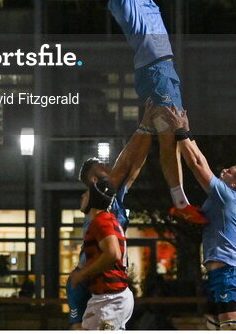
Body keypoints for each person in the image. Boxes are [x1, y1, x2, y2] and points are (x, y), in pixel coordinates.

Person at [103, 0, 204, 226]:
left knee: (167, 136)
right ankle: (180, 201)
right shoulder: (122, 0)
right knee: (171, 137)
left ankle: (177, 199)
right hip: (156, 69)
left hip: (163, 68)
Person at [163, 106, 236, 330]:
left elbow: (197, 165)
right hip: (218, 275)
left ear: (235, 183)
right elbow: (202, 161)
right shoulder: (223, 197)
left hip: (231, 274)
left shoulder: (229, 196)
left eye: (230, 171)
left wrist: (180, 131)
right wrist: (186, 132)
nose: (224, 169)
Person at [66, 103, 154, 328]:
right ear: (96, 181)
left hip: (101, 282)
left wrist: (149, 129)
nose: (108, 166)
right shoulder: (100, 209)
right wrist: (146, 124)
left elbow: (134, 166)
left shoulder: (110, 201)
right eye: (102, 166)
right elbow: (125, 164)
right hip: (88, 278)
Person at [68, 178, 134, 330]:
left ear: (93, 198)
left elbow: (113, 253)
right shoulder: (109, 219)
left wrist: (82, 273)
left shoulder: (101, 221)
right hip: (113, 298)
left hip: (109, 299)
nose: (82, 196)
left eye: (86, 193)